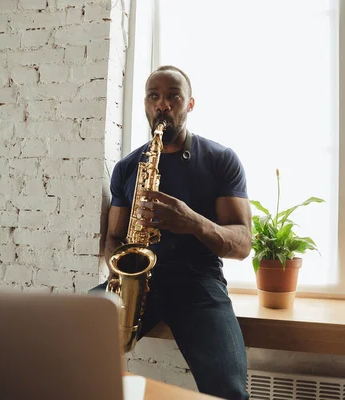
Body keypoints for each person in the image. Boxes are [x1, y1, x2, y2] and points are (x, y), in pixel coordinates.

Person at [92, 65, 251, 400]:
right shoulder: (127, 167)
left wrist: (192, 221)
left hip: (199, 283)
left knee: (229, 390)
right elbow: (113, 237)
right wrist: (123, 275)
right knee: (67, 342)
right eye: (154, 96)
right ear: (146, 105)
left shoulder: (222, 159)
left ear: (189, 104)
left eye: (173, 96)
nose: (162, 104)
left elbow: (242, 243)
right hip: (140, 280)